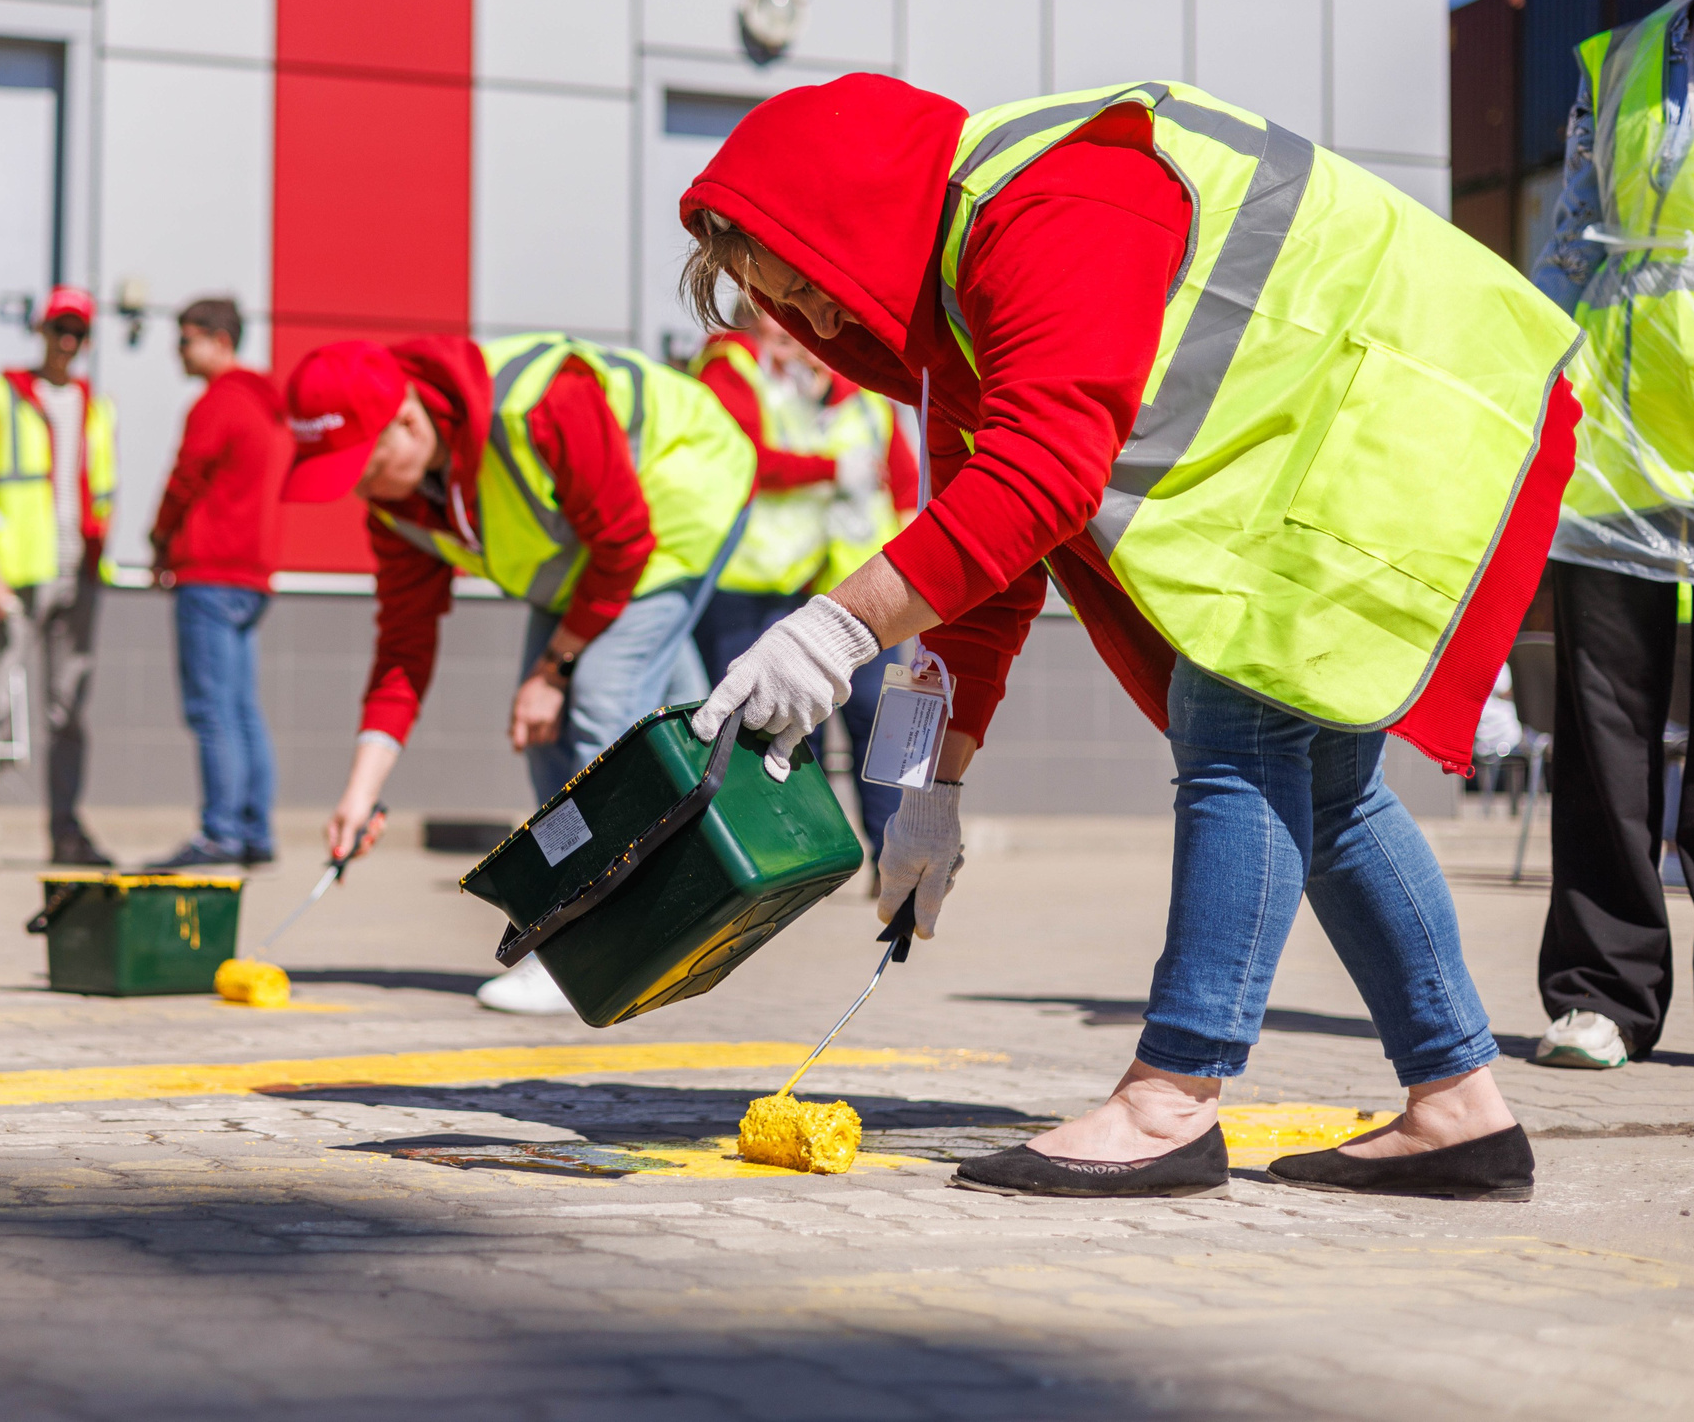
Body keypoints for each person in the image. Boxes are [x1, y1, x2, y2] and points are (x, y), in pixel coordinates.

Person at [683, 70, 1580, 1200]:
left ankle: (1170, 1098)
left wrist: (832, 629)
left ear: (847, 215)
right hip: (1352, 433)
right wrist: (926, 792)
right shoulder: (954, 310)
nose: (817, 323)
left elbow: (1039, 479)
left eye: (808, 287)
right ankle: (1459, 1106)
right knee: (1330, 784)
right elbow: (982, 573)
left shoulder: (1051, 202)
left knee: (1237, 727)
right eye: (787, 309)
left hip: (1402, 414)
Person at [283, 332, 753, 1014]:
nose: (360, 489)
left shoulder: (541, 404)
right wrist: (360, 794)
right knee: (653, 723)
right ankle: (704, 905)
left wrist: (554, 668)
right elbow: (403, 650)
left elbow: (625, 543)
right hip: (594, 561)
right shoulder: (400, 506)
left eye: (363, 465)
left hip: (681, 502)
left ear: (409, 420)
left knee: (593, 707)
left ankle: (595, 948)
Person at [1528, 0, 1694, 1072]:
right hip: (1611, 429)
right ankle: (1600, 992)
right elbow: (1568, 246)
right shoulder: (1612, 65)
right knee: (1600, 724)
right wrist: (1534, 384)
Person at [691, 303, 919, 857]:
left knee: (879, 728)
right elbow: (757, 458)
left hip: (874, 595)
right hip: (789, 588)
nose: (797, 342)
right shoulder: (749, 374)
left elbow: (908, 487)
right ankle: (796, 851)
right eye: (780, 325)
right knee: (787, 730)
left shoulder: (860, 397)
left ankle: (894, 854)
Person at [0, 288, 120, 870]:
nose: (66, 342)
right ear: (41, 331)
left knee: (67, 710)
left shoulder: (99, 407)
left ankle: (65, 829)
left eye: (77, 333)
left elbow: (104, 489)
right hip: (17, 571)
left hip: (79, 569)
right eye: (58, 330)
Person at [144, 298, 291, 871]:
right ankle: (254, 830)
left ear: (219, 341)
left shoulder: (217, 404)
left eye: (185, 341)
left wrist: (159, 539)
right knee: (241, 709)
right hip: (253, 577)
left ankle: (220, 833)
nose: (178, 352)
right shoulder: (268, 407)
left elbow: (184, 479)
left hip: (208, 573)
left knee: (212, 711)